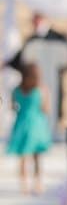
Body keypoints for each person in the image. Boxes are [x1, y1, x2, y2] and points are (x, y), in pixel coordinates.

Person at [5, 13, 67, 138]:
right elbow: (21, 59)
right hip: (35, 83)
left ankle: (51, 132)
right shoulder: (32, 40)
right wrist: (7, 64)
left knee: (53, 106)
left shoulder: (58, 38)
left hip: (54, 81)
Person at [7, 63, 52, 194]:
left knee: (26, 156)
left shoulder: (17, 90)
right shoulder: (41, 90)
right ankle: (34, 183)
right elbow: (46, 109)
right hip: (36, 125)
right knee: (33, 157)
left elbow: (13, 107)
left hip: (23, 124)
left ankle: (27, 184)